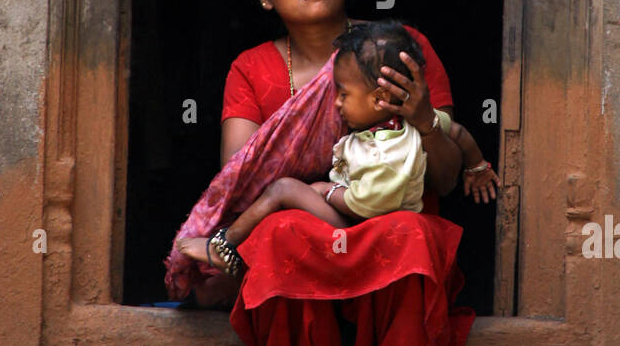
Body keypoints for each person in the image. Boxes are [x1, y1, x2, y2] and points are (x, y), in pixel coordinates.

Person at [164, 0, 500, 346]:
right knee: (279, 233)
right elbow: (242, 181)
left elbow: (444, 177)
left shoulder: (401, 48)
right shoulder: (252, 69)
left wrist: (420, 120)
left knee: (415, 237)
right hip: (312, 227)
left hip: (389, 226)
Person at [182, 20, 496, 270]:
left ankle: (223, 247)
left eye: (343, 93)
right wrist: (477, 166)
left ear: (378, 99)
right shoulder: (412, 125)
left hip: (358, 220)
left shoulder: (421, 122)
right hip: (376, 224)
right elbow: (460, 134)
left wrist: (329, 192)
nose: (335, 104)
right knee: (299, 199)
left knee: (282, 190)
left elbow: (449, 159)